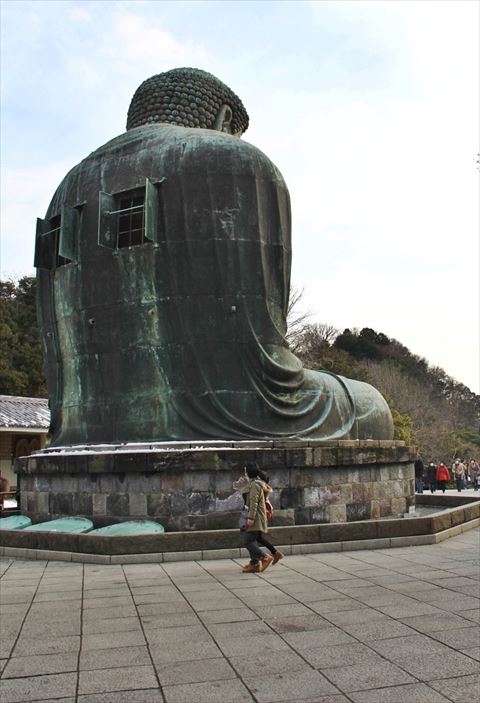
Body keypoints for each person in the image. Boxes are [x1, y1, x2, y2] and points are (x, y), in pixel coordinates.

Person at [236, 463, 283, 573]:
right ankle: (255, 563)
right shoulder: (256, 483)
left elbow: (254, 502)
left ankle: (264, 558)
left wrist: (251, 518)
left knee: (248, 541)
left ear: (248, 473)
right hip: (257, 517)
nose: (245, 473)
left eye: (245, 471)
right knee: (254, 539)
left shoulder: (254, 485)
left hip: (255, 518)